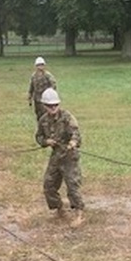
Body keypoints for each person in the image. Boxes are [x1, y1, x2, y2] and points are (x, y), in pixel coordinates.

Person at [35, 87, 83, 226]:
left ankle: (79, 212)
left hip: (69, 156)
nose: (53, 107)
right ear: (44, 106)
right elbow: (39, 136)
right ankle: (59, 209)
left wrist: (73, 142)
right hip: (56, 155)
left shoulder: (67, 117)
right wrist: (46, 141)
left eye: (55, 104)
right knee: (48, 184)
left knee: (72, 185)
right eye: (50, 106)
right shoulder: (43, 120)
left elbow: (76, 133)